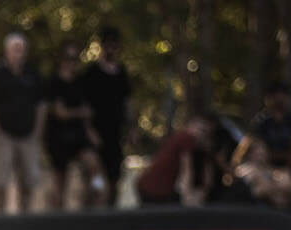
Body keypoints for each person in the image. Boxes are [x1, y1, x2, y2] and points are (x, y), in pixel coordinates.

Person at [0, 32, 47, 214]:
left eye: (22, 49)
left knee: (30, 179)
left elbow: (41, 104)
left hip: (28, 134)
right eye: (15, 49)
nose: (19, 53)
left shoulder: (32, 73)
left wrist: (38, 130)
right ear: (6, 51)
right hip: (3, 135)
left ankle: (26, 214)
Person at [44, 42, 102, 209]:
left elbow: (88, 111)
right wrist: (80, 112)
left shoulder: (81, 82)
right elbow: (60, 113)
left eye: (75, 59)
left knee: (93, 166)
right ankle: (57, 220)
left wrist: (90, 130)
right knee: (60, 182)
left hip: (79, 136)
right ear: (61, 59)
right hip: (58, 137)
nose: (72, 63)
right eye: (68, 58)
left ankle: (93, 204)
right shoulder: (53, 82)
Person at [80, 26, 131, 205]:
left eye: (114, 45)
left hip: (115, 135)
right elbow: (84, 107)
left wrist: (131, 130)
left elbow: (127, 103)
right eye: (107, 44)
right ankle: (91, 215)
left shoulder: (122, 73)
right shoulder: (91, 73)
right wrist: (89, 130)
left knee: (114, 180)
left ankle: (111, 217)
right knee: (97, 182)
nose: (111, 48)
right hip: (95, 137)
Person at [134, 112, 215, 205]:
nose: (201, 135)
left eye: (205, 132)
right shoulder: (186, 138)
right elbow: (187, 169)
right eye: (201, 130)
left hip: (152, 187)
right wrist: (187, 195)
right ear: (190, 125)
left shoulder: (186, 140)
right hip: (155, 188)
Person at [241, 82, 291, 174]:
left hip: (287, 170)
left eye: (282, 96)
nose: (279, 99)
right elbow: (250, 145)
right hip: (263, 168)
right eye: (275, 96)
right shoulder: (261, 121)